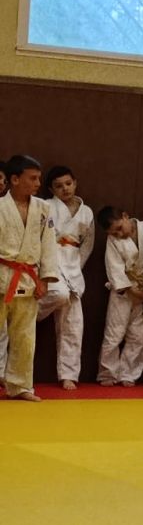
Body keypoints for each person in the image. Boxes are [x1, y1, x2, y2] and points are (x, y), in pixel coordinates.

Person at [0, 156, 59, 401]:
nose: (38, 183)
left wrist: (45, 278)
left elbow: (49, 244)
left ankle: (20, 386)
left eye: (38, 178)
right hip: (2, 274)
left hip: (28, 278)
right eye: (32, 178)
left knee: (25, 337)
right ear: (15, 179)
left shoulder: (43, 208)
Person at [36, 165, 93, 390]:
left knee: (74, 324)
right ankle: (30, 313)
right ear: (51, 189)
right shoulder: (46, 206)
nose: (65, 189)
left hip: (73, 264)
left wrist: (77, 267)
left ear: (75, 183)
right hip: (51, 259)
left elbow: (87, 244)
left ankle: (68, 374)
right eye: (59, 186)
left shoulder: (86, 212)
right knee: (59, 294)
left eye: (68, 184)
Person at [96, 203, 143, 387]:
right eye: (114, 233)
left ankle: (128, 374)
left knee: (138, 335)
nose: (119, 234)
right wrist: (132, 289)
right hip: (123, 291)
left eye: (119, 228)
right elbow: (114, 268)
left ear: (125, 216)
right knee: (114, 333)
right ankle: (107, 373)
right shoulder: (113, 241)